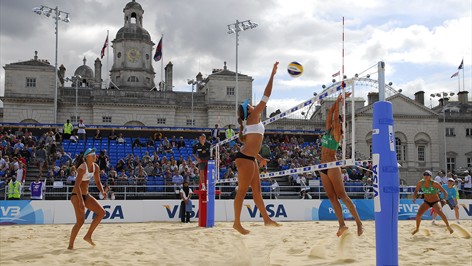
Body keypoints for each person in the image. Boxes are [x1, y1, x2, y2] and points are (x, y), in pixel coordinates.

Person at [233, 62, 281, 235]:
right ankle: (237, 223)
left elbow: (250, 144)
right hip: (245, 159)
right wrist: (272, 75)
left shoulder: (252, 121)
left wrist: (260, 158)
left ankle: (267, 219)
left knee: (257, 191)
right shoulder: (253, 117)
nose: (252, 104)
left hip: (250, 157)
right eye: (249, 105)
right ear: (248, 111)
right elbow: (267, 95)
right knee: (242, 191)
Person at [318, 91, 363, 237]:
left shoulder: (337, 133)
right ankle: (342, 225)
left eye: (336, 121)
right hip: (322, 167)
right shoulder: (327, 130)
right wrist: (337, 100)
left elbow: (335, 114)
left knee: (342, 195)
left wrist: (341, 102)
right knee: (331, 197)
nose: (332, 121)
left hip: (332, 165)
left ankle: (358, 223)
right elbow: (331, 111)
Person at [68, 148, 107, 250]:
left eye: (95, 154)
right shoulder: (82, 168)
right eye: (93, 154)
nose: (95, 156)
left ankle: (88, 236)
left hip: (86, 195)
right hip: (76, 196)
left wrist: (102, 191)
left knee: (102, 212)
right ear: (87, 157)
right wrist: (81, 201)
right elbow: (77, 186)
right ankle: (70, 246)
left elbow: (98, 182)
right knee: (80, 221)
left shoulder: (96, 167)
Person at [412, 170, 453, 235]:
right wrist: (414, 197)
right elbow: (416, 191)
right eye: (424, 174)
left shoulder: (434, 183)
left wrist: (444, 199)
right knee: (418, 215)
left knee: (440, 212)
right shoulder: (420, 183)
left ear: (430, 176)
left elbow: (445, 192)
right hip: (426, 201)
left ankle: (448, 226)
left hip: (435, 201)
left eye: (427, 175)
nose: (425, 176)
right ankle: (417, 229)